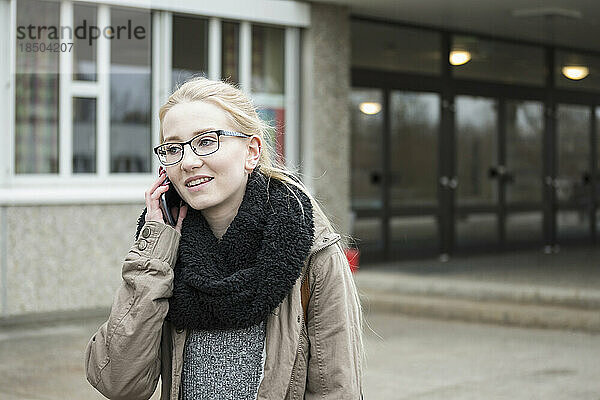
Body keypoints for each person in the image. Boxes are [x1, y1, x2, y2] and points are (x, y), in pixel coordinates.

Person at [85, 77, 364, 400]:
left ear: (252, 151)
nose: (188, 162)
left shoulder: (310, 247)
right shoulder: (165, 251)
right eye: (174, 148)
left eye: (206, 141)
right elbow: (118, 383)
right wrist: (153, 255)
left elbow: (336, 389)